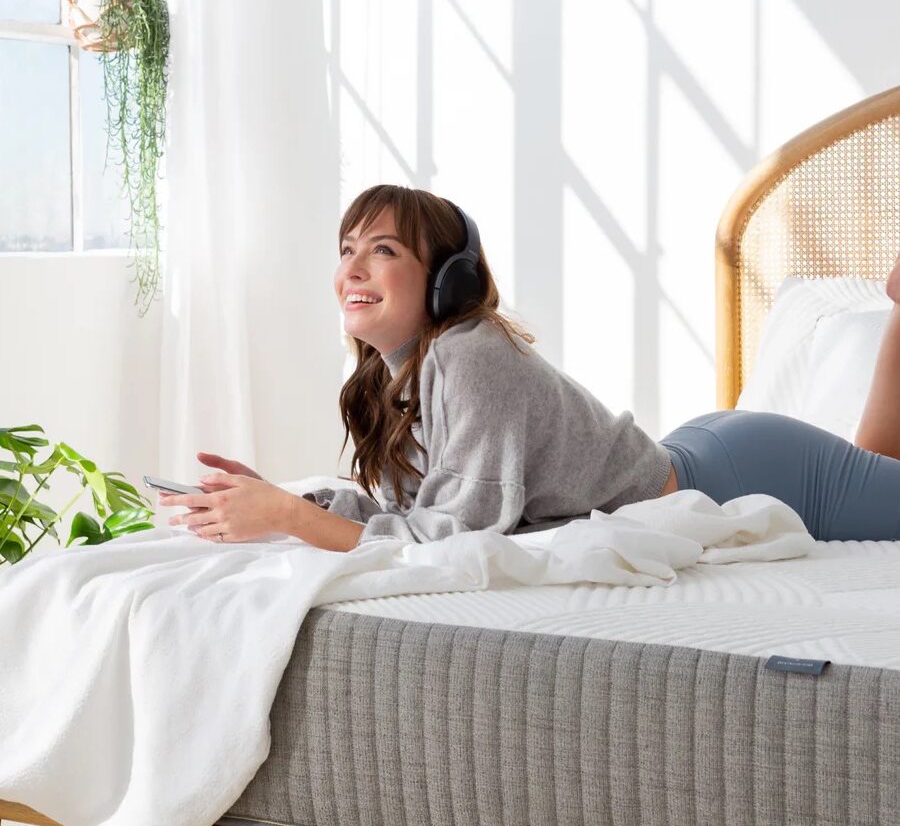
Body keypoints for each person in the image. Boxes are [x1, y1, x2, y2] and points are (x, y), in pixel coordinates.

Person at [161, 184, 900, 549]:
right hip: (692, 450)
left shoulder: (471, 355)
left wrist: (289, 519)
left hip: (740, 471)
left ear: (446, 278)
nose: (353, 267)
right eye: (347, 248)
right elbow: (414, 518)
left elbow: (453, 543)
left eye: (382, 250)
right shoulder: (395, 378)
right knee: (881, 468)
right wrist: (297, 507)